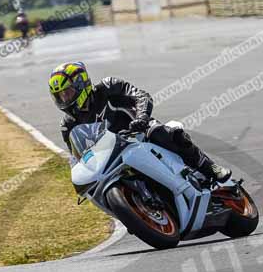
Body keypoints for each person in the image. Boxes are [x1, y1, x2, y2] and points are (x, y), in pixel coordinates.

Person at [49, 61, 231, 182]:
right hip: (111, 156)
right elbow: (76, 158)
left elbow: (142, 96)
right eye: (60, 96)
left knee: (165, 133)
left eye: (68, 93)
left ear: (81, 84)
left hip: (139, 132)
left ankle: (209, 167)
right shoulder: (68, 125)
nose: (64, 99)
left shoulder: (108, 87)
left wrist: (142, 117)